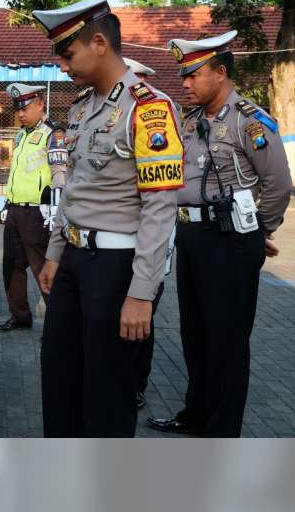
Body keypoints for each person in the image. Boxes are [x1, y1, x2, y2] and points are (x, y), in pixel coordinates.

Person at [34, 0, 183, 437]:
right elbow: (74, 189)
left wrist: (142, 293)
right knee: (58, 377)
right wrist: (56, 253)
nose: (62, 65)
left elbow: (160, 209)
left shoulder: (149, 109)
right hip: (76, 262)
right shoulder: (82, 109)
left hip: (118, 270)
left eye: (67, 53)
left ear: (99, 43)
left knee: (107, 391)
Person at [147, 30, 292, 437]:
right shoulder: (191, 121)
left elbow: (278, 184)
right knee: (194, 334)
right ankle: (196, 415)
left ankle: (221, 432)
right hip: (191, 239)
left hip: (231, 243)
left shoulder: (250, 120)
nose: (186, 83)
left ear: (221, 72)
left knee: (226, 340)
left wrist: (256, 232)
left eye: (193, 75)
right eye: (183, 76)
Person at [0, 83, 67, 332]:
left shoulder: (53, 134)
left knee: (43, 268)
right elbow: (17, 173)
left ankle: (60, 324)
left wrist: (56, 212)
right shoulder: (20, 135)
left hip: (39, 213)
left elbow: (60, 175)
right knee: (11, 266)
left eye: (25, 108)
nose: (20, 114)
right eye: (18, 110)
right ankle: (20, 317)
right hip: (16, 211)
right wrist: (7, 203)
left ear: (39, 105)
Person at [124, 56, 168, 411]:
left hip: (150, 248)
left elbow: (160, 201)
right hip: (119, 248)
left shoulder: (156, 115)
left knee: (141, 322)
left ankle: (136, 384)